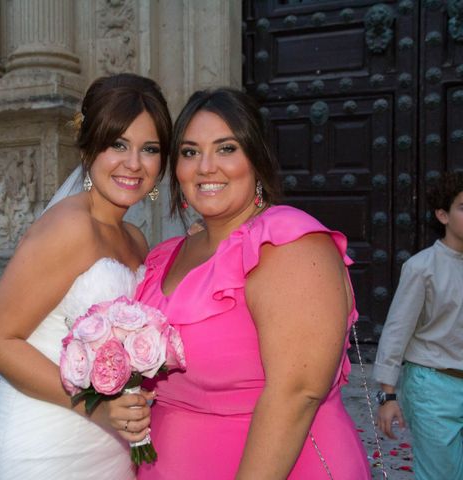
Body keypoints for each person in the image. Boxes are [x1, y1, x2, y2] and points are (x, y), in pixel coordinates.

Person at [135, 88, 371, 479]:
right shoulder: (166, 255)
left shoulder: (288, 243)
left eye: (226, 148)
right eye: (190, 152)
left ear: (257, 159)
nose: (206, 166)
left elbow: (297, 393)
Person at [0, 73, 172, 480]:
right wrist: (97, 405)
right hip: (45, 447)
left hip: (107, 448)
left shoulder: (136, 238)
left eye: (150, 149)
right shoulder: (70, 227)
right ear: (89, 147)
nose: (134, 163)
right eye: (118, 144)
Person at [373, 172, 463, 480]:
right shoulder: (422, 268)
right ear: (443, 215)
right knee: (441, 475)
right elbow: (396, 332)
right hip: (432, 385)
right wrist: (387, 395)